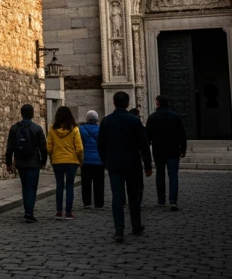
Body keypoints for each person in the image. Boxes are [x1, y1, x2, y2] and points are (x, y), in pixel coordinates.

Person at [98, 91, 152, 242]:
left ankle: (119, 230)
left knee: (117, 196)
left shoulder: (106, 121)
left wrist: (105, 162)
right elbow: (143, 144)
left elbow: (100, 144)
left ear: (114, 103)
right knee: (133, 196)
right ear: (128, 104)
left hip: (114, 164)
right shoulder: (134, 120)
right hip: (132, 163)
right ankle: (136, 226)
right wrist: (148, 165)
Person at [5, 104, 48, 222]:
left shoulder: (14, 128)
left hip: (20, 162)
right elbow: (43, 148)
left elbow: (9, 147)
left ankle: (27, 210)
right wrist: (43, 161)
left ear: (21, 113)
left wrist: (8, 163)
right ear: (32, 114)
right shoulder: (37, 128)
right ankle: (29, 212)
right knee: (32, 188)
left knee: (25, 186)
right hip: (33, 162)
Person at [146, 95, 188, 211]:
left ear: (158, 103)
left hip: (158, 150)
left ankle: (161, 200)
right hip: (173, 150)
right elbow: (182, 134)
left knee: (160, 175)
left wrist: (145, 150)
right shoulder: (175, 116)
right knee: (173, 176)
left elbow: (147, 136)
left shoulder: (152, 117)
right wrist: (183, 149)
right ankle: (173, 201)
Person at [47, 106, 84, 220]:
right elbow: (79, 148)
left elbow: (49, 147)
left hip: (57, 160)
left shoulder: (52, 129)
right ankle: (68, 213)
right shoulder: (74, 129)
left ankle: (58, 212)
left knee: (59, 186)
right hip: (72, 161)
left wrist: (52, 158)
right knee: (69, 186)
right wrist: (80, 160)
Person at [79, 111, 105, 210]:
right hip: (98, 160)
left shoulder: (81, 129)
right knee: (99, 183)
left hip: (86, 160)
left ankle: (87, 203)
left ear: (87, 119)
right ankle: (99, 203)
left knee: (86, 183)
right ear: (97, 119)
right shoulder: (101, 129)